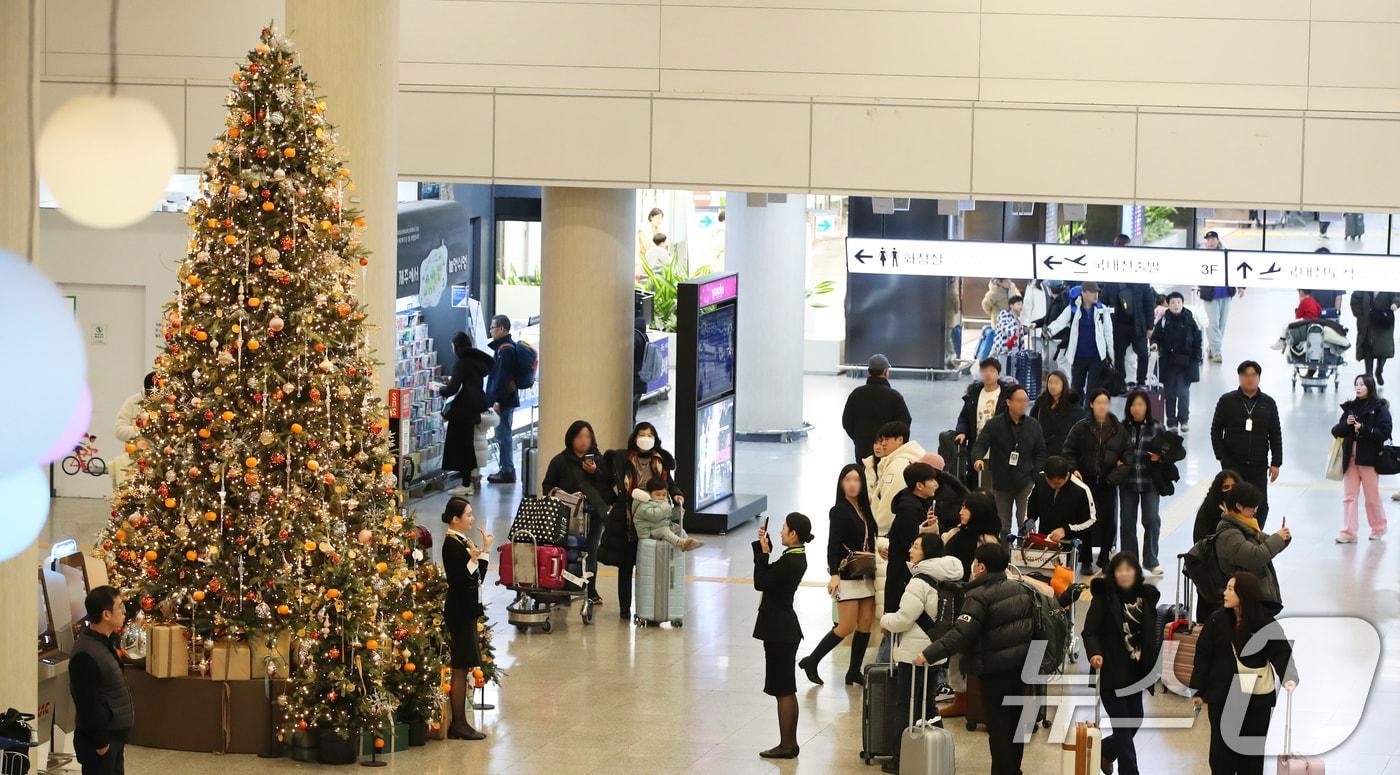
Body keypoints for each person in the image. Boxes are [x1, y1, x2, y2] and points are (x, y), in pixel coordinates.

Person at [915, 542, 1035, 775]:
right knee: (1015, 725)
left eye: (974, 562)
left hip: (994, 671)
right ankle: (1014, 770)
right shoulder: (1021, 590)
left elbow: (961, 634)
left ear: (981, 567)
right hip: (1021, 668)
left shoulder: (978, 596)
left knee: (999, 727)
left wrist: (928, 654)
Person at [1190, 572, 1298, 774]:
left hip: (1256, 698)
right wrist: (1199, 689)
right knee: (1221, 754)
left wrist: (1288, 676)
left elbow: (1281, 652)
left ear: (1244, 594)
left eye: (1231, 589)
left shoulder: (1265, 623)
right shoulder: (1216, 620)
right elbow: (1203, 654)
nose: (1225, 593)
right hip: (1223, 695)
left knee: (1251, 754)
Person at [878, 533, 964, 774]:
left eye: (916, 546)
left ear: (927, 552)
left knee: (905, 705)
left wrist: (884, 619)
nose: (911, 550)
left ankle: (900, 758)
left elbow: (904, 619)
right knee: (928, 705)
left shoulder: (919, 581)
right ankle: (938, 752)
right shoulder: (949, 575)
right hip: (936, 648)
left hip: (914, 653)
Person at [800, 464, 877, 686]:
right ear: (841, 483)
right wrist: (833, 573)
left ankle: (854, 671)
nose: (852, 484)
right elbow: (833, 544)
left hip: (866, 572)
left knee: (865, 624)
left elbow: (870, 537)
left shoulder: (864, 508)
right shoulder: (839, 510)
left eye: (856, 480)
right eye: (847, 480)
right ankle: (812, 660)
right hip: (847, 574)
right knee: (846, 626)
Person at [1083, 553, 1160, 775]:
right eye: (1119, 570)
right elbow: (1090, 632)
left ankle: (1106, 751)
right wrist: (1094, 653)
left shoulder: (1146, 598)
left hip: (1136, 673)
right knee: (1123, 727)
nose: (1124, 574)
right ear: (1113, 574)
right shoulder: (1103, 598)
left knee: (1135, 719)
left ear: (1136, 572)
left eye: (1129, 569)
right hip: (1110, 672)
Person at [600, 423, 682, 621]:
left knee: (650, 566)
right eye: (642, 434)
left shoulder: (660, 461)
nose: (645, 438)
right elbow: (607, 478)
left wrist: (677, 494)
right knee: (626, 565)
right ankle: (624, 608)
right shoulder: (624, 459)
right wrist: (613, 498)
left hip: (653, 517)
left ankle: (650, 609)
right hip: (627, 519)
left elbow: (669, 484)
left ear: (655, 439)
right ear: (635, 438)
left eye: (649, 435)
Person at [752, 512, 814, 759]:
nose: (780, 531)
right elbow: (771, 577)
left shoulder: (791, 561)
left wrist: (763, 554)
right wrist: (765, 548)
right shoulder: (796, 556)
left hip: (780, 630)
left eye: (784, 528)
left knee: (784, 690)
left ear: (794, 534)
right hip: (784, 629)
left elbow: (761, 581)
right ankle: (789, 743)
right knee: (786, 689)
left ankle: (787, 745)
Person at [541, 420, 614, 604]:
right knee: (566, 550)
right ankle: (563, 590)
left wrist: (595, 472)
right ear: (571, 438)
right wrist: (563, 497)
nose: (583, 441)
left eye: (587, 436)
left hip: (593, 514)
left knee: (591, 551)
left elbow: (608, 485)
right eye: (579, 436)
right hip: (566, 514)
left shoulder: (599, 460)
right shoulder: (560, 460)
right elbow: (547, 486)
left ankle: (591, 590)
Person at [440, 497, 491, 740]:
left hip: (466, 608)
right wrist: (472, 559)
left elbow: (477, 577)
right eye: (468, 514)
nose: (472, 518)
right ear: (455, 519)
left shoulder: (463, 541)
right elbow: (459, 580)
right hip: (458, 610)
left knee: (464, 664)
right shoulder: (451, 544)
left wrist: (484, 551)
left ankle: (461, 722)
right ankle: (459, 723)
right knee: (459, 666)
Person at [1063, 389, 1130, 574]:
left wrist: (1112, 478)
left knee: (1108, 522)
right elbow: (1069, 451)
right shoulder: (1081, 427)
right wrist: (1073, 469)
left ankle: (1104, 557)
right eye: (1098, 402)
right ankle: (1085, 560)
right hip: (1086, 482)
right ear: (1092, 404)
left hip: (1108, 483)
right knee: (1086, 521)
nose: (1102, 406)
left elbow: (1128, 459)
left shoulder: (1119, 430)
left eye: (1105, 402)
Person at [69, 586, 134, 775]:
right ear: (106, 615)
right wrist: (101, 743)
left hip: (114, 735)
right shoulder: (86, 653)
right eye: (120, 607)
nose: (124, 611)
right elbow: (85, 703)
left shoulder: (105, 641)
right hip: (101, 742)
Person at [1209, 361, 1283, 526]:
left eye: (1253, 375)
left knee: (1260, 505)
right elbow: (1216, 430)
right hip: (1233, 464)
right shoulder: (1227, 401)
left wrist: (1276, 463)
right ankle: (1233, 534)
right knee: (1234, 504)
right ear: (1239, 377)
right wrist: (1221, 457)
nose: (1249, 379)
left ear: (1258, 378)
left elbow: (1275, 434)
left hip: (1258, 465)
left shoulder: (1268, 403)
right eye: (1245, 375)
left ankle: (1255, 535)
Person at [971, 386, 1047, 535]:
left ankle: (1026, 549)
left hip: (1026, 481)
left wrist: (1035, 474)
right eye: (1019, 401)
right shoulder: (994, 424)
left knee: (1026, 524)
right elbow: (980, 444)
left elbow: (1041, 452)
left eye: (1025, 401)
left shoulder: (1034, 425)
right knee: (1002, 526)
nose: (1024, 404)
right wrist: (977, 459)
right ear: (1009, 402)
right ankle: (1003, 550)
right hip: (1001, 482)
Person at [1209, 482, 1291, 620]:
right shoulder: (1230, 535)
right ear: (1239, 506)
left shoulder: (1244, 526)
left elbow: (1265, 543)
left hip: (1252, 596)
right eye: (1252, 507)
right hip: (1244, 600)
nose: (1255, 511)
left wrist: (1283, 538)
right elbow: (1255, 557)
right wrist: (1278, 538)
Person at [1331, 374, 1391, 543]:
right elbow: (1336, 431)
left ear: (1370, 387)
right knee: (1349, 496)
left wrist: (1364, 428)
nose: (1358, 387)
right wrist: (1347, 424)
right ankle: (1349, 532)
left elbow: (1385, 432)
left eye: (1362, 385)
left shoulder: (1379, 408)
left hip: (1369, 458)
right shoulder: (1350, 408)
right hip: (1350, 458)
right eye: (1357, 384)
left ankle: (1379, 527)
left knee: (1372, 497)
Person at [438, 333, 495, 495]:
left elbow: (453, 388)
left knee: (461, 447)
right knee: (468, 445)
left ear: (456, 345)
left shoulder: (461, 363)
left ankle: (466, 483)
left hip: (461, 411)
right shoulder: (477, 362)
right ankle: (470, 481)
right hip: (473, 408)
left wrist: (441, 389)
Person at [884, 463, 942, 618]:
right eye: (932, 480)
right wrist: (929, 532)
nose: (936, 484)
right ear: (919, 486)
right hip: (904, 578)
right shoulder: (909, 510)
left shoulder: (917, 504)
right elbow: (912, 545)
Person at [1120, 389, 1166, 574]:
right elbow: (1113, 449)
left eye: (1140, 404)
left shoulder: (1157, 427)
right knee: (1127, 522)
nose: (1136, 408)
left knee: (1152, 520)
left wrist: (1160, 458)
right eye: (1133, 404)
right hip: (1127, 482)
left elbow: (1170, 452)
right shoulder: (1122, 428)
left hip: (1150, 482)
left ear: (1147, 406)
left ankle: (1151, 560)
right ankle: (1130, 560)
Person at [954, 358, 1015, 487]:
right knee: (976, 484)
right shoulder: (973, 394)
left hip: (999, 450)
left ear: (998, 373)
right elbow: (964, 417)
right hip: (977, 447)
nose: (988, 374)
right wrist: (962, 432)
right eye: (984, 371)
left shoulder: (1007, 396)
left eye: (992, 371)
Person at [842, 353, 912, 462]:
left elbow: (846, 422)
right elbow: (904, 423)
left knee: (865, 472)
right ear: (885, 372)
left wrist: (859, 439)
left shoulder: (856, 394)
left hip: (862, 452)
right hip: (888, 453)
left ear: (869, 372)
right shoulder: (894, 396)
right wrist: (891, 442)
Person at [1048, 280, 1114, 395]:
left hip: (1097, 357)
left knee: (1093, 391)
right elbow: (1059, 322)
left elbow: (1108, 333)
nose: (1096, 295)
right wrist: (1048, 332)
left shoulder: (1102, 309)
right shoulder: (1073, 309)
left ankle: (1090, 407)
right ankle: (1078, 407)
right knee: (1076, 390)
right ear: (1083, 293)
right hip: (1078, 356)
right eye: (1092, 292)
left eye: (1097, 292)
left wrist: (1111, 354)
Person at [1151, 292, 1203, 433]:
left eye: (1179, 302)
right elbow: (1155, 337)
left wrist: (1197, 357)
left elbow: (1198, 340)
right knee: (1170, 393)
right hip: (1169, 363)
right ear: (1168, 304)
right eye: (1173, 302)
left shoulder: (1190, 320)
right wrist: (1155, 344)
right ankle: (1172, 422)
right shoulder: (1163, 321)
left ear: (1182, 303)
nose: (1176, 305)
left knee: (1183, 392)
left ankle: (1184, 420)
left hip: (1186, 363)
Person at [1027, 455, 1097, 547]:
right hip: (1044, 540)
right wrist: (1029, 520)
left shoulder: (1081, 490)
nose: (1053, 486)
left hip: (1069, 543)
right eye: (1050, 482)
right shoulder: (1041, 478)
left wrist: (1065, 530)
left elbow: (1091, 520)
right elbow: (1032, 502)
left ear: (1067, 475)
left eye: (1057, 483)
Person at [485, 315, 522, 484]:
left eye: (493, 328)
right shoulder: (505, 347)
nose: (491, 331)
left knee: (503, 435)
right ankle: (506, 468)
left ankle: (507, 470)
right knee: (503, 433)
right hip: (507, 399)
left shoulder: (505, 350)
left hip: (504, 401)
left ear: (501, 329)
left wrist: (497, 400)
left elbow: (501, 378)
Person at [1103, 278, 1157, 387]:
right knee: (1119, 356)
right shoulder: (1111, 282)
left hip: (1139, 325)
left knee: (1143, 354)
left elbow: (1149, 305)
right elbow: (1103, 302)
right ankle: (1120, 383)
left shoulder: (1142, 282)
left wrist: (1150, 326)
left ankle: (1141, 382)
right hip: (1118, 326)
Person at [941, 491, 1004, 583]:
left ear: (977, 511)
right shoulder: (957, 532)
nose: (961, 512)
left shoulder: (987, 542)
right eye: (962, 507)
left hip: (972, 587)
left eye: (966, 508)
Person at [111, 371, 156, 489]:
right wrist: (140, 430)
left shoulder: (169, 404)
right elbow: (119, 430)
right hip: (135, 464)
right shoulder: (133, 402)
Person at [1198, 230, 1238, 364]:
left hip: (1226, 294)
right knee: (1212, 323)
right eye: (1208, 240)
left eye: (1213, 239)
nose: (1210, 242)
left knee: (1221, 325)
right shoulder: (1201, 255)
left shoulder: (1226, 253)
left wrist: (1241, 286)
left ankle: (1212, 346)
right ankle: (1217, 352)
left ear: (1217, 240)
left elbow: (1236, 269)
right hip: (1210, 295)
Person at [631, 478, 703, 550]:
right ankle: (681, 543)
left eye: (664, 495)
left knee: (678, 528)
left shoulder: (662, 503)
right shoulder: (644, 504)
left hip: (660, 526)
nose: (661, 497)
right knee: (664, 531)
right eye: (658, 495)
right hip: (649, 531)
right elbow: (655, 516)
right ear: (649, 493)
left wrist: (676, 513)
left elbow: (666, 516)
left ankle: (688, 542)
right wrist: (666, 506)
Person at [1030, 370, 1085, 457]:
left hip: (1066, 454)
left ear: (1064, 385)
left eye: (1056, 383)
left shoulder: (1075, 408)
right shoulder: (1039, 406)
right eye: (1050, 382)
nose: (1052, 386)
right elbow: (1032, 430)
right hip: (1043, 453)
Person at [1351, 290, 1399, 382]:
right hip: (1367, 322)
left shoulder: (1388, 287)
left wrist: (1395, 304)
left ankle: (1379, 370)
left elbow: (1396, 295)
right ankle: (1369, 376)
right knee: (1367, 349)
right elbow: (1355, 299)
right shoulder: (1364, 288)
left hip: (1383, 322)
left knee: (1383, 349)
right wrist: (1360, 313)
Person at [1194, 469, 1239, 543]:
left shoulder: (1242, 506)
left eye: (1234, 486)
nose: (1231, 490)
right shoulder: (1208, 509)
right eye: (1226, 487)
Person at [991, 295, 1026, 371]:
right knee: (1002, 370)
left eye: (1021, 304)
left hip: (1014, 348)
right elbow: (1004, 326)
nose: (1021, 306)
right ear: (1011, 306)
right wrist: (1014, 331)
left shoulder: (1018, 319)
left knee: (1013, 370)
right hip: (1003, 347)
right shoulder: (1004, 314)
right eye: (1018, 304)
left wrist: (1022, 349)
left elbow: (1020, 337)